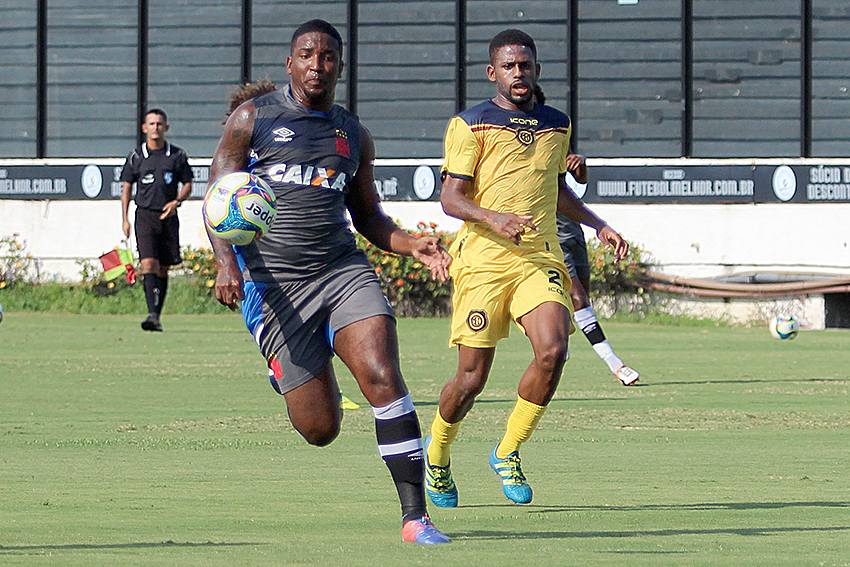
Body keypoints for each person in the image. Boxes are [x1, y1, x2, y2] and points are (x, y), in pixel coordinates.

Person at [206, 20, 451, 544]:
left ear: (340, 65)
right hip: (275, 288)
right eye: (307, 55)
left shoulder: (353, 134)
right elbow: (218, 195)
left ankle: (416, 517)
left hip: (342, 272)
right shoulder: (252, 119)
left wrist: (411, 243)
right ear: (290, 62)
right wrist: (227, 264)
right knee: (320, 430)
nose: (317, 65)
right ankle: (289, 369)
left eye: (328, 56)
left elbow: (368, 216)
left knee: (383, 375)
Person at [425, 29, 629, 508]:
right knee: (471, 379)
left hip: (538, 257)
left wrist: (599, 224)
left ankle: (508, 450)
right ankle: (437, 452)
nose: (518, 73)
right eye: (509, 66)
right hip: (483, 262)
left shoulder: (557, 124)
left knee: (554, 351)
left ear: (536, 69)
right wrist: (494, 217)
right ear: (492, 72)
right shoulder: (470, 124)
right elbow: (450, 198)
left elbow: (556, 190)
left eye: (525, 65)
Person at [223, 77, 362, 411]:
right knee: (291, 362)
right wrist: (226, 263)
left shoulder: (290, 155)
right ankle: (288, 371)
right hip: (262, 282)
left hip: (316, 271)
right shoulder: (238, 174)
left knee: (337, 335)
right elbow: (217, 207)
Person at [533, 85, 639, 386]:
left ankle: (554, 347)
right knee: (578, 299)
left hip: (573, 230)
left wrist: (580, 167)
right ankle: (616, 365)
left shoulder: (554, 135)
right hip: (549, 235)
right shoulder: (517, 144)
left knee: (578, 304)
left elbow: (574, 185)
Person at [120, 109, 194, 332]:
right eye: (151, 124)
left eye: (159, 124)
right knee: (148, 264)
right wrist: (124, 219)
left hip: (168, 217)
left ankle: (156, 316)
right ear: (144, 128)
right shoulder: (136, 156)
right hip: (145, 216)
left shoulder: (177, 155)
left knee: (163, 268)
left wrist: (176, 202)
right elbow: (126, 188)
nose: (155, 128)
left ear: (166, 128)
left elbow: (188, 184)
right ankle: (151, 314)